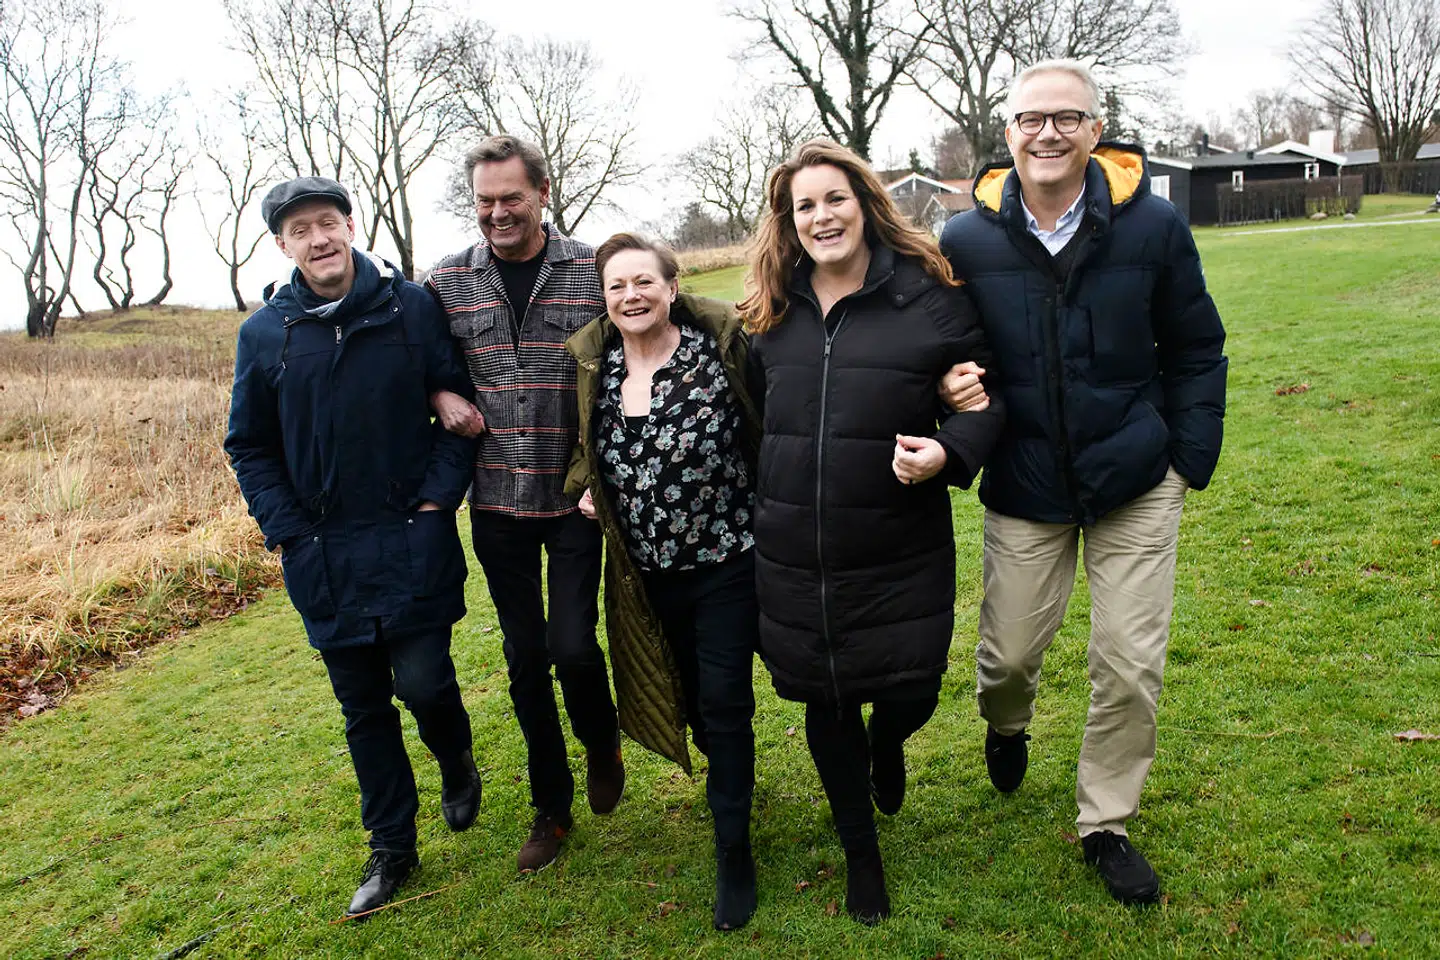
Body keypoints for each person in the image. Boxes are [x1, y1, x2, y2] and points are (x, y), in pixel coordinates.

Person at [939, 59, 1228, 905]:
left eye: (1068, 118)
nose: (1049, 133)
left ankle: (1105, 821)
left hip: (1135, 478)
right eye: (1032, 119)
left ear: (1096, 131)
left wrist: (1186, 459)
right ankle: (1008, 723)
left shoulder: (1154, 228)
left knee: (1129, 664)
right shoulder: (967, 240)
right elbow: (949, 351)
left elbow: (1198, 347)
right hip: (1026, 485)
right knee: (1008, 657)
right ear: (1008, 134)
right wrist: (951, 388)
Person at [741, 138, 1005, 924]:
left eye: (835, 199)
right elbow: (751, 416)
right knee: (826, 704)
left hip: (898, 543)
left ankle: (887, 744)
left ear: (865, 201)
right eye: (805, 207)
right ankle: (862, 854)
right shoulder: (770, 310)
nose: (822, 217)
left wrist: (951, 450)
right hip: (796, 549)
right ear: (789, 223)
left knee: (913, 688)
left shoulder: (927, 297)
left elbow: (991, 402)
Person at [224, 176, 481, 918]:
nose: (318, 239)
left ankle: (454, 756)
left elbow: (459, 410)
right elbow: (249, 445)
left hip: (410, 537)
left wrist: (436, 502)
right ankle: (391, 850)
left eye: (328, 222)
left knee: (425, 683)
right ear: (282, 245)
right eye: (300, 230)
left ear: (349, 224)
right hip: (324, 555)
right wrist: (288, 530)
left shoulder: (411, 308)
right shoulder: (265, 335)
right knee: (364, 708)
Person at [424, 136, 623, 874]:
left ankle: (602, 739)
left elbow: (643, 337)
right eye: (485, 201)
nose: (498, 213)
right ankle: (552, 807)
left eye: (511, 197)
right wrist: (439, 393)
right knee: (523, 657)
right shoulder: (446, 282)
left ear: (543, 191)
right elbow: (419, 363)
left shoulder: (592, 269)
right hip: (497, 505)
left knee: (574, 645)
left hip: (574, 500)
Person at [564, 233, 763, 931]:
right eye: (617, 286)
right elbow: (583, 452)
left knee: (727, 700)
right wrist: (587, 488)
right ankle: (732, 779)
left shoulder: (719, 352)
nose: (632, 296)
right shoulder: (597, 368)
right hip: (647, 576)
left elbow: (771, 425)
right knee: (694, 705)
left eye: (644, 282)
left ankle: (733, 850)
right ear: (605, 298)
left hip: (729, 561)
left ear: (671, 288)